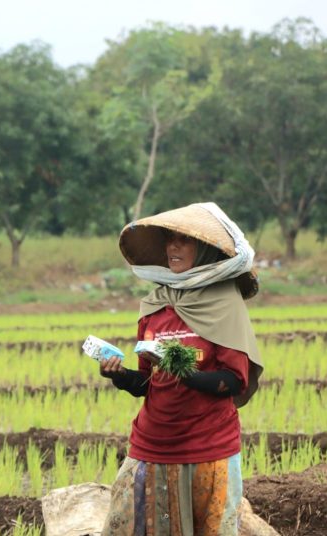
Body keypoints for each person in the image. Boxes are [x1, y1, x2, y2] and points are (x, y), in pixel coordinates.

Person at [99, 202, 263, 535]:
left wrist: (183, 372)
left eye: (183, 240)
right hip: (151, 445)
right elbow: (148, 382)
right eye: (169, 240)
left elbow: (234, 381)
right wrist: (119, 375)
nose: (173, 247)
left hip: (209, 448)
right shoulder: (155, 305)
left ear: (203, 249)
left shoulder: (223, 303)